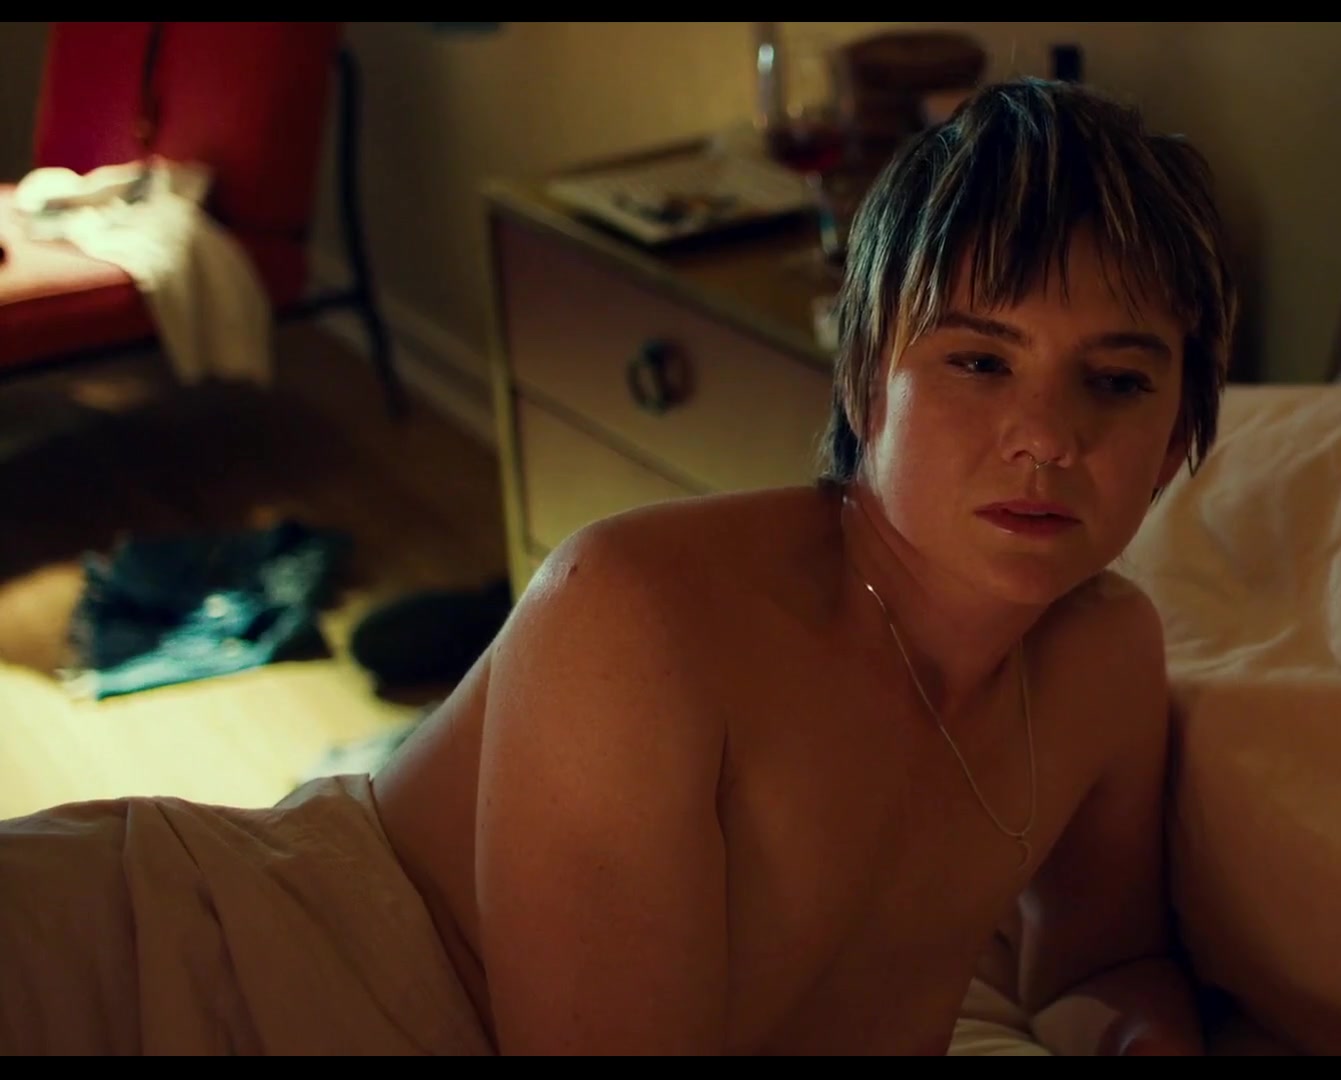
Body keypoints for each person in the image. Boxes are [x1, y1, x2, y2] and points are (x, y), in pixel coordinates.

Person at [0, 75, 1239, 1056]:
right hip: (178, 978)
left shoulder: (1107, 661)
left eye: (1117, 381)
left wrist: (1137, 1037)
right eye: (978, 361)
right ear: (867, 381)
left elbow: (1103, 966)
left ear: (1184, 420)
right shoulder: (639, 616)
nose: (1048, 436)